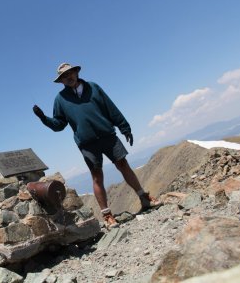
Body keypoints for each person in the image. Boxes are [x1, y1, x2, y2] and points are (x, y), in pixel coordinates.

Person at [33, 63, 161, 229]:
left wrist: (124, 127)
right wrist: (44, 118)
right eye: (64, 76)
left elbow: (110, 108)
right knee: (97, 176)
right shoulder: (60, 99)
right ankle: (107, 215)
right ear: (61, 81)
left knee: (123, 165)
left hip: (108, 135)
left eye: (70, 73)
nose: (68, 77)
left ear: (76, 73)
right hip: (87, 143)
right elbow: (59, 125)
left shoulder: (93, 87)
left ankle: (144, 198)